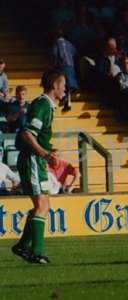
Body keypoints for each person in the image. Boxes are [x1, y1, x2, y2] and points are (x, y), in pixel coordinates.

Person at [12, 69, 65, 264]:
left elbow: (36, 135)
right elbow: (27, 134)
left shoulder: (48, 106)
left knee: (44, 205)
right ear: (55, 85)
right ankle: (37, 251)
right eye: (63, 85)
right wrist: (44, 153)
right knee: (41, 205)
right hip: (32, 159)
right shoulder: (42, 104)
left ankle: (23, 246)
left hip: (37, 159)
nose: (65, 89)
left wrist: (49, 150)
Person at [52, 29, 78, 111]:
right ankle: (68, 100)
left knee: (60, 83)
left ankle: (62, 98)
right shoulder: (69, 43)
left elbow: (55, 54)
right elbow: (74, 52)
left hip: (62, 65)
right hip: (70, 65)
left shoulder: (56, 43)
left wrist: (54, 66)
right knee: (68, 85)